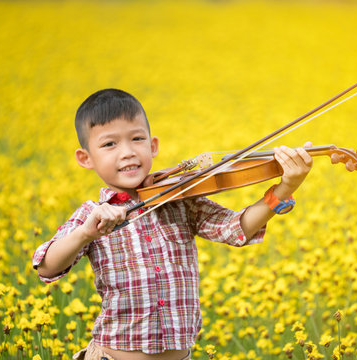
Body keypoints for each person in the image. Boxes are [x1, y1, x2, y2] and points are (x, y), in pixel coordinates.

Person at [32, 89, 313, 360]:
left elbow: (235, 228)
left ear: (153, 146)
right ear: (86, 158)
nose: (128, 152)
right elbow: (47, 266)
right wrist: (85, 233)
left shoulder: (180, 199)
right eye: (109, 144)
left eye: (137, 139)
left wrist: (284, 188)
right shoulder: (93, 215)